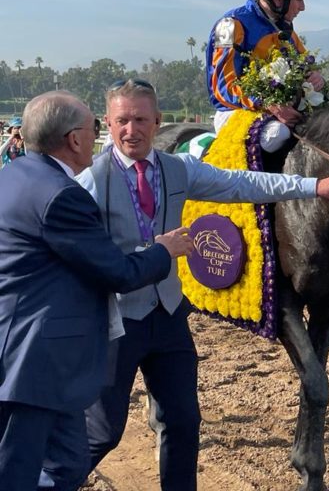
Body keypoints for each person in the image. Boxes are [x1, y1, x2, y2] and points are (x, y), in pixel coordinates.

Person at [67, 79, 329, 490]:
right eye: (122, 121)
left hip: (168, 316)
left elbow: (243, 184)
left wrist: (312, 186)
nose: (132, 130)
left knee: (183, 422)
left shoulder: (177, 168)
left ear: (158, 121)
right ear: (107, 124)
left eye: (141, 119)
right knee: (103, 433)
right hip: (117, 322)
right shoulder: (90, 182)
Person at [0, 91, 192, 490]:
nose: (100, 136)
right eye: (97, 128)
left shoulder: (14, 174)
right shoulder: (63, 195)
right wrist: (163, 250)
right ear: (73, 139)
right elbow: (117, 271)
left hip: (52, 355)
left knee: (68, 462)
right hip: (34, 358)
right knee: (19, 470)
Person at [206, 0, 325, 152]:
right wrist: (269, 105)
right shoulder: (229, 26)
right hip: (235, 111)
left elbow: (306, 66)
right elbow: (222, 88)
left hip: (282, 110)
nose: (303, 7)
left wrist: (315, 78)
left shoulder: (285, 29)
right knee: (276, 134)